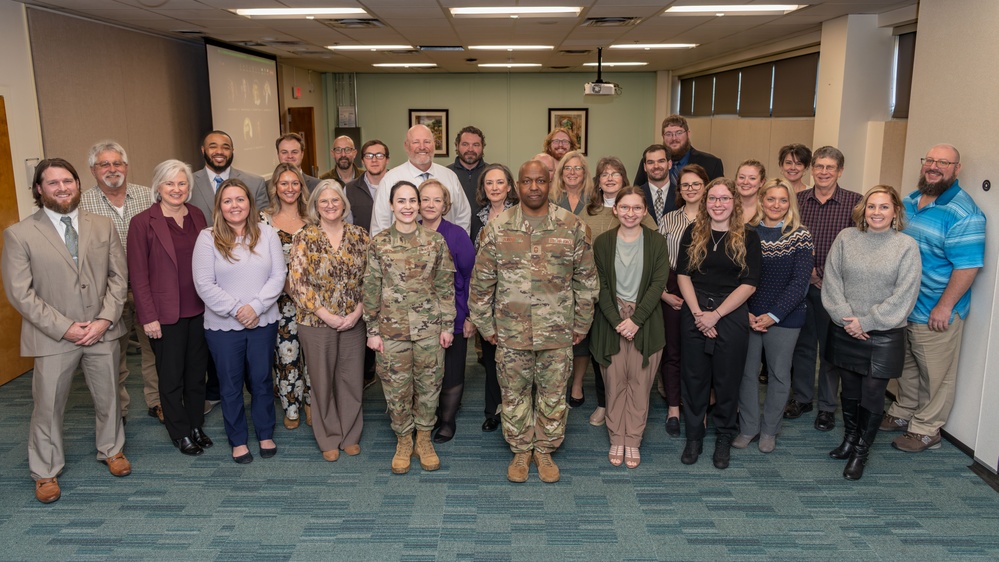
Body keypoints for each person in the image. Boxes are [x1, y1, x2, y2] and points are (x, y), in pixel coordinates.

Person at [2, 158, 131, 503]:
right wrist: (67, 328)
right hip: (53, 336)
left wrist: (104, 319)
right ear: (39, 190)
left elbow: (120, 278)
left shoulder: (103, 226)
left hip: (102, 329)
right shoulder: (19, 234)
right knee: (48, 404)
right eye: (53, 183)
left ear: (77, 184)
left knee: (109, 397)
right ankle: (45, 470)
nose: (62, 188)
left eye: (67, 181)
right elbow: (20, 293)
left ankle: (112, 449)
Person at [469, 160, 597, 484]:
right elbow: (481, 283)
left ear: (548, 183)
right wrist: (486, 327)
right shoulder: (497, 229)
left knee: (553, 394)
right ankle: (521, 449)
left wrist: (581, 324)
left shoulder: (572, 226)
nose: (535, 187)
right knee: (513, 394)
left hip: (557, 332)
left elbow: (586, 281)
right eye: (528, 181)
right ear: (517, 186)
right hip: (511, 333)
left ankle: (545, 449)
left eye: (541, 181)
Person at [883, 144, 986, 453]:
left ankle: (927, 430)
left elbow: (968, 267)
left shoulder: (963, 212)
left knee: (936, 375)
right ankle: (904, 412)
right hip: (907, 307)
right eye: (929, 160)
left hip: (936, 310)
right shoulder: (910, 200)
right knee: (909, 366)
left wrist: (945, 306)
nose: (934, 166)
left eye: (943, 162)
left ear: (956, 169)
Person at [822, 185, 921, 479]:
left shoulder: (906, 246)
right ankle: (850, 439)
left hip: (884, 334)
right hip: (845, 327)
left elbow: (905, 296)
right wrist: (847, 318)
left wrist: (865, 322)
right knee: (849, 389)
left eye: (884, 207)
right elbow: (832, 280)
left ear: (896, 212)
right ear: (863, 210)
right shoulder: (846, 238)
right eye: (872, 206)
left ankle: (861, 451)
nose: (877, 212)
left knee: (873, 391)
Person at [363, 181, 455, 474]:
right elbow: (371, 287)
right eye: (400, 201)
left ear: (418, 205)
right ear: (391, 205)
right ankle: (404, 439)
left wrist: (447, 325)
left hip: (429, 328)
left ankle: (424, 438)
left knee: (429, 387)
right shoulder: (378, 243)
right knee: (396, 388)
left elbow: (445, 286)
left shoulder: (435, 241)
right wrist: (372, 330)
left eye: (412, 201)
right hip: (391, 331)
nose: (407, 206)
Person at [193, 179, 286, 464]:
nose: (235, 206)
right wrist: (237, 310)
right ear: (219, 207)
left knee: (260, 380)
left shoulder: (268, 234)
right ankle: (237, 440)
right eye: (228, 200)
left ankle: (265, 432)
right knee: (230, 384)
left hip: (263, 321)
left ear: (250, 203)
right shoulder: (207, 238)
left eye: (240, 199)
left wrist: (256, 307)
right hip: (223, 327)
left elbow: (278, 276)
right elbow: (204, 284)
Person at [127, 159, 212, 456]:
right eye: (170, 183)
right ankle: (179, 431)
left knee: (196, 374)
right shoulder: (142, 222)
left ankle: (196, 424)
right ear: (158, 187)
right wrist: (148, 316)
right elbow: (137, 275)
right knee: (171, 376)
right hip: (165, 315)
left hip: (200, 310)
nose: (176, 189)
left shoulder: (198, 216)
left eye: (182, 183)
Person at [676, 177, 761, 470]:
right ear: (705, 202)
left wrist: (717, 315)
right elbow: (683, 275)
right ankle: (694, 437)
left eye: (725, 198)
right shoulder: (693, 231)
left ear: (735, 202)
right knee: (695, 379)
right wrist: (700, 313)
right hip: (695, 310)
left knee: (727, 380)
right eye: (713, 199)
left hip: (731, 312)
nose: (718, 204)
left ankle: (724, 436)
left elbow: (749, 284)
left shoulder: (748, 236)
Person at [289, 180, 369, 461]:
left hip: (353, 320)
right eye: (324, 201)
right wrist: (326, 315)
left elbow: (370, 279)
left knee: (350, 380)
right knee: (322, 381)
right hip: (315, 322)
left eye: (335, 200)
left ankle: (350, 435)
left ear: (344, 204)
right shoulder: (304, 236)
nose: (330, 205)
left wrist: (357, 312)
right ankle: (329, 437)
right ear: (315, 206)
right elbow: (298, 282)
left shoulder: (360, 236)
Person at [79, 140, 158, 425]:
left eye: (117, 163)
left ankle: (157, 401)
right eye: (104, 164)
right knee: (114, 353)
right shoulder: (81, 203)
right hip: (108, 291)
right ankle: (118, 411)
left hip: (147, 287)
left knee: (155, 347)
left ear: (126, 166)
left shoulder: (148, 196)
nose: (112, 169)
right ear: (92, 170)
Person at [590, 186, 669, 468]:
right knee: (614, 383)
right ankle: (616, 437)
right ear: (615, 209)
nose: (630, 213)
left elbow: (658, 284)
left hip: (645, 322)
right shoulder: (602, 243)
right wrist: (617, 321)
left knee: (638, 383)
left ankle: (632, 440)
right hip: (611, 320)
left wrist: (636, 321)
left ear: (645, 211)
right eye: (625, 207)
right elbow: (600, 286)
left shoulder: (657, 242)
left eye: (637, 208)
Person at [733, 179, 813, 453]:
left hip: (785, 318)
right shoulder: (745, 232)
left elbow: (800, 283)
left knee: (779, 375)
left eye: (782, 200)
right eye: (770, 199)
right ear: (761, 200)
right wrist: (746, 312)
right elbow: (738, 276)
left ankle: (769, 430)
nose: (776, 205)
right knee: (746, 373)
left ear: (789, 203)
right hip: (748, 314)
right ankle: (749, 427)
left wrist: (773, 315)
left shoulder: (800, 235)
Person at [787, 146, 861, 431]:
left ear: (840, 171)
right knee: (803, 347)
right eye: (819, 166)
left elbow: (857, 247)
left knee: (830, 351)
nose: (824, 172)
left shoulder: (855, 202)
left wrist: (825, 275)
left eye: (830, 167)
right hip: (800, 286)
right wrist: (807, 273)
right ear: (812, 169)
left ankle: (828, 408)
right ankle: (803, 398)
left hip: (836, 289)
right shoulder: (798, 200)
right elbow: (788, 237)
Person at [580, 156, 657, 426]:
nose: (610, 178)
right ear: (598, 181)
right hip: (597, 292)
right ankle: (604, 404)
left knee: (633, 363)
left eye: (616, 173)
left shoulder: (638, 212)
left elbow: (654, 262)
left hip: (634, 298)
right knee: (603, 354)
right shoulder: (588, 212)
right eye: (604, 174)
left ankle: (629, 414)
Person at [418, 180, 475, 443]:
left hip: (453, 316)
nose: (430, 205)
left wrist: (469, 317)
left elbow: (471, 277)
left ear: (445, 205)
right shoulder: (408, 233)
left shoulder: (456, 235)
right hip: (418, 320)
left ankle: (447, 420)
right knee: (423, 373)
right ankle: (424, 418)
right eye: (425, 199)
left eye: (436, 200)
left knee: (451, 371)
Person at [657, 164, 709, 437]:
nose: (690, 189)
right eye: (685, 185)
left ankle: (697, 409)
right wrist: (665, 294)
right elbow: (658, 260)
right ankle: (674, 409)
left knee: (699, 354)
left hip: (704, 289)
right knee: (673, 352)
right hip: (673, 289)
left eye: (696, 184)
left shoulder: (715, 217)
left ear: (705, 186)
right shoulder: (668, 220)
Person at [260, 163, 311, 430]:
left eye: (295, 183)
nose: (289, 188)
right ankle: (292, 406)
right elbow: (258, 262)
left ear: (301, 187)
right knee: (286, 355)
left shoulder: (313, 217)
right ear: (275, 187)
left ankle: (313, 402)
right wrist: (287, 288)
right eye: (284, 183)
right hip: (279, 301)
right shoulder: (262, 219)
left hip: (313, 302)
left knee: (314, 354)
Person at [473, 163, 519, 433]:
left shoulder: (521, 215)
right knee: (491, 358)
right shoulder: (477, 218)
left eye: (500, 182)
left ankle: (517, 411)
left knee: (517, 361)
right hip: (487, 298)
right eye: (489, 183)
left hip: (515, 299)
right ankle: (492, 411)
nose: (494, 187)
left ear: (509, 186)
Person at [550, 150, 596, 410]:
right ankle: (557, 383)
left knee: (582, 334)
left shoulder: (594, 200)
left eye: (578, 168)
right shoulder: (551, 199)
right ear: (561, 172)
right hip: (556, 274)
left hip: (585, 271)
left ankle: (577, 383)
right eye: (568, 168)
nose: (572, 172)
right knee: (557, 334)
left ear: (585, 173)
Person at [371, 125, 472, 236]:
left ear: (434, 144)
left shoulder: (450, 177)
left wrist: (459, 241)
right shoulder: (390, 179)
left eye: (427, 142)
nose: (422, 147)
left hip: (448, 248)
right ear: (406, 146)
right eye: (416, 142)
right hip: (403, 250)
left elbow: (463, 215)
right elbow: (380, 224)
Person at [190, 130, 269, 222]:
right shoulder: (188, 184)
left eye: (226, 148)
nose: (219, 151)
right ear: (203, 150)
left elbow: (262, 223)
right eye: (213, 147)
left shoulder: (255, 183)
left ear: (232, 151)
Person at [633, 114, 724, 187]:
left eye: (679, 133)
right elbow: (638, 193)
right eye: (668, 134)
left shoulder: (711, 163)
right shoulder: (651, 163)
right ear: (663, 137)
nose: (674, 138)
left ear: (688, 134)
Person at [447, 126, 488, 237]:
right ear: (457, 145)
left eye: (476, 145)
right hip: (453, 238)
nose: (470, 149)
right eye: (465, 144)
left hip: (487, 240)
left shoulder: (492, 174)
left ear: (482, 147)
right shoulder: (446, 174)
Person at [345, 140, 389, 233]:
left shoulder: (399, 186)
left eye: (379, 155)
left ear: (387, 160)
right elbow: (347, 227)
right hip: (362, 246)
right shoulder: (350, 189)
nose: (374, 160)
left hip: (395, 245)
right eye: (368, 156)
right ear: (362, 161)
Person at [637, 144, 675, 226]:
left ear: (670, 164)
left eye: (661, 161)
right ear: (645, 167)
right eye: (650, 162)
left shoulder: (682, 194)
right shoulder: (636, 195)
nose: (656, 166)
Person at [735, 160, 766, 224]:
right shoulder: (726, 206)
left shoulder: (767, 209)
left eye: (752, 178)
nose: (745, 182)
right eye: (741, 177)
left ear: (762, 182)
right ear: (736, 180)